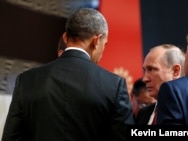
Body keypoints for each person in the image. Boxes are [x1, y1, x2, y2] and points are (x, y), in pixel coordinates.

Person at [2, 8, 134, 141]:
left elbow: (11, 138)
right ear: (97, 41)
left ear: (65, 37)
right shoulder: (114, 85)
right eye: (105, 44)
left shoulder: (26, 80)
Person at [135, 44, 185, 125]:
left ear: (175, 71)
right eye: (145, 70)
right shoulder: (143, 113)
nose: (145, 79)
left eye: (152, 69)